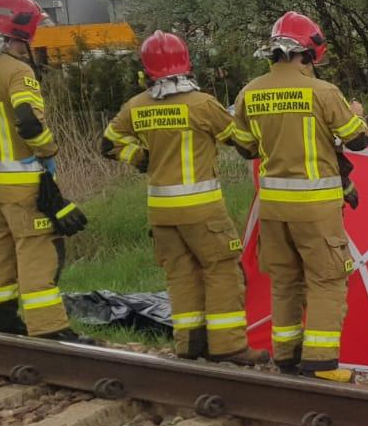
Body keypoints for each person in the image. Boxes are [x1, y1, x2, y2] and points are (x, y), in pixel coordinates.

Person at [102, 30, 265, 364]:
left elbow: (107, 143)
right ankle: (229, 346)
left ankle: (189, 345)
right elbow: (244, 144)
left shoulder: (136, 106)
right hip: (202, 210)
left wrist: (139, 157)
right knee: (223, 271)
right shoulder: (202, 104)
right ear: (186, 65)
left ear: (146, 70)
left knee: (180, 275)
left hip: (161, 212)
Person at [0, 0, 93, 342]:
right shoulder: (18, 71)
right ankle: (49, 327)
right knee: (37, 249)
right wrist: (47, 150)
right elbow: (28, 120)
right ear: (23, 29)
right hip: (21, 182)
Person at [234, 12, 368, 382]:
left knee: (285, 281)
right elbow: (358, 139)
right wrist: (355, 115)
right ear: (308, 54)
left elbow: (246, 148)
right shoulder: (323, 92)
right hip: (316, 209)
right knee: (328, 280)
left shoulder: (250, 91)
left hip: (273, 210)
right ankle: (322, 362)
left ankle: (287, 356)